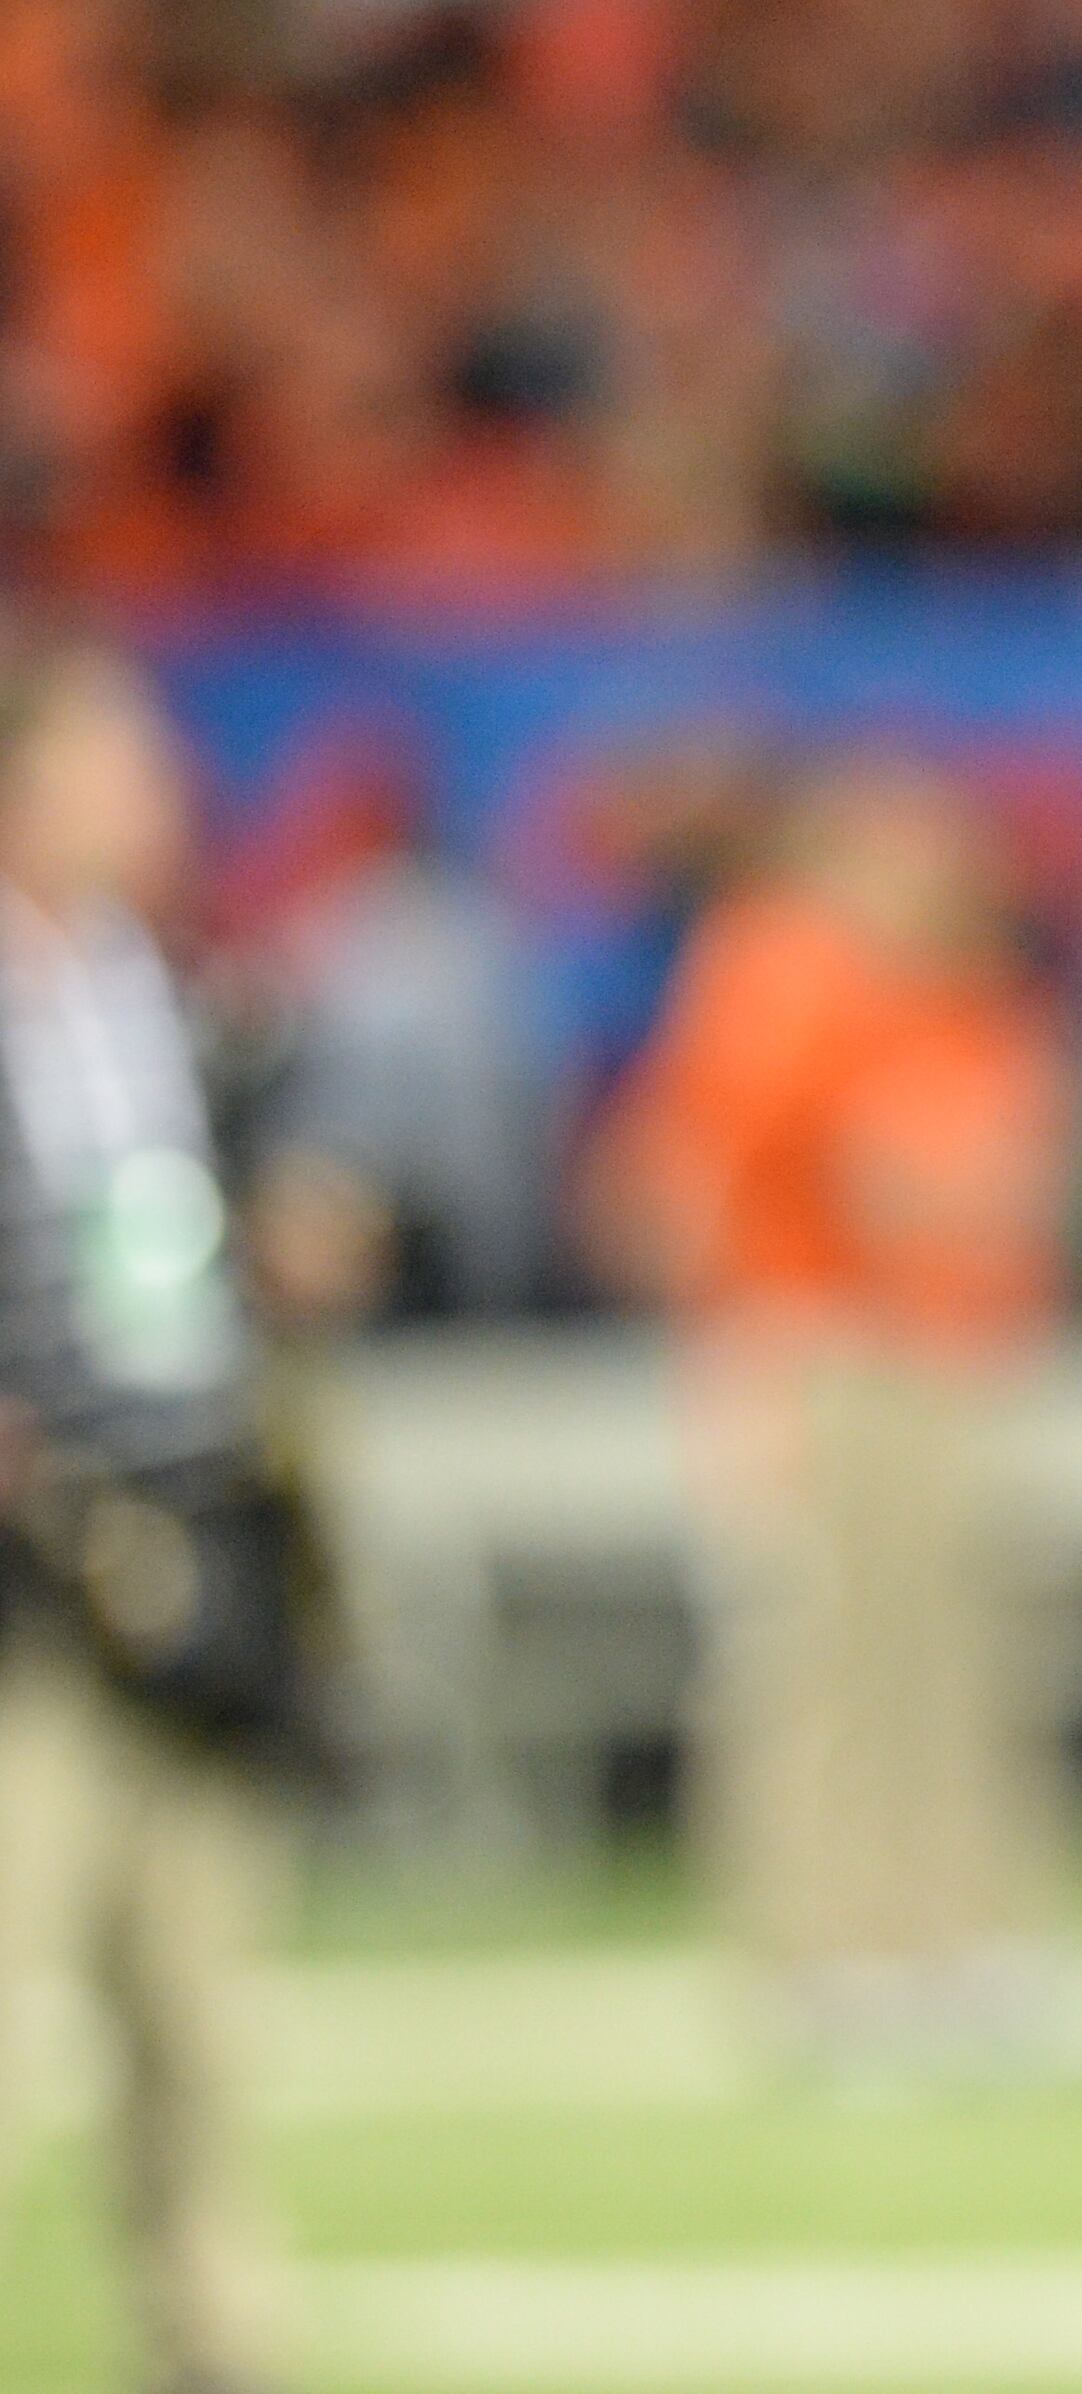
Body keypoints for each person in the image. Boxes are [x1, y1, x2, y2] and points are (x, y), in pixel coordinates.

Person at [594, 753, 1075, 2065]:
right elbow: (705, 1172)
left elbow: (1013, 1167)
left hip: (942, 1356)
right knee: (824, 1664)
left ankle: (949, 1932)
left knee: (949, 1660)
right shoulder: (785, 964)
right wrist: (741, 1358)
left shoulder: (957, 979)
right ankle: (823, 1947)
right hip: (821, 1347)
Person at [0, 641, 332, 2394]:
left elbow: (164, 1247)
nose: (156, 789)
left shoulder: (158, 985)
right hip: (27, 1570)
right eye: (117, 752)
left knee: (193, 2025)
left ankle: (217, 2350)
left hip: (190, 1538)